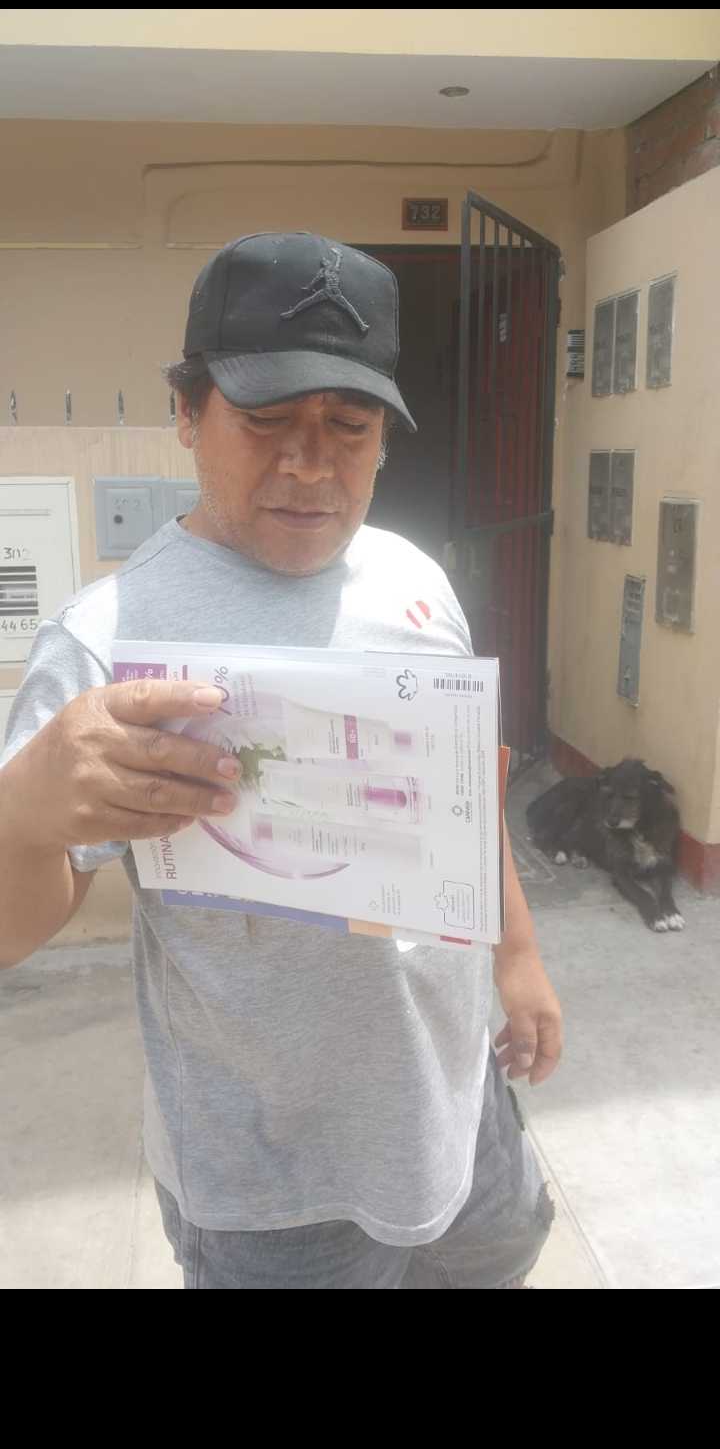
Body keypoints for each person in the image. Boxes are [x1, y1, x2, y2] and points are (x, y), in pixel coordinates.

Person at [0, 232, 562, 1290]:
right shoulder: (105, 640)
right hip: (272, 1183)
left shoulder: (413, 578)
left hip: (455, 1101)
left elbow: (463, 797)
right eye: (266, 422)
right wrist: (22, 808)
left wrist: (518, 958)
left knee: (499, 1256)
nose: (311, 464)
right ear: (185, 412)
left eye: (349, 427)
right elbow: (12, 930)